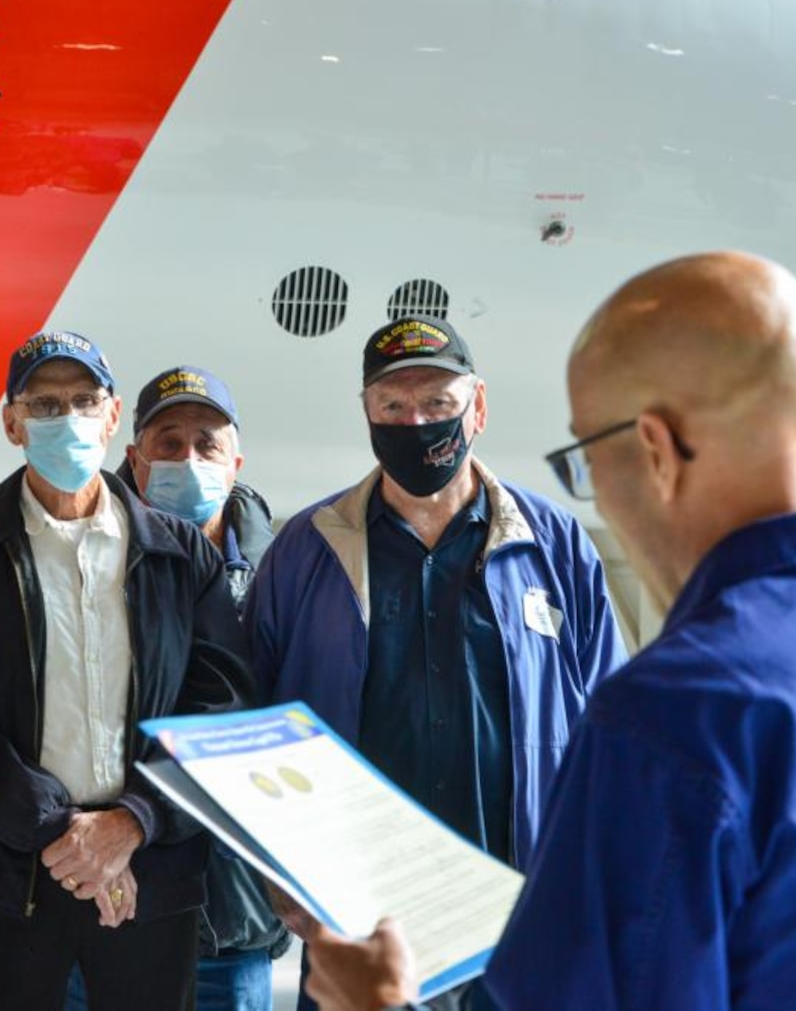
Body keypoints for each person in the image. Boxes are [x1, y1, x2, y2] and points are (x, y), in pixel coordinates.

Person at [305, 252, 796, 1009]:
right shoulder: (307, 549)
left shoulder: (678, 717)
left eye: (587, 461)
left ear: (654, 449)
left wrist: (379, 1004)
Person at [248, 315, 626, 1009]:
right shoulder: (307, 548)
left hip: (520, 906)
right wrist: (277, 868)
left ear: (477, 407)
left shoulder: (553, 544)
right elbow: (252, 717)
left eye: (437, 405)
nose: (414, 422)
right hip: (358, 913)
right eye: (391, 406)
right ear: (365, 413)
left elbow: (611, 719)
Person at [0, 331, 254, 1011]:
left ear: (112, 414)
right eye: (43, 405)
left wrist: (132, 824)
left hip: (149, 879)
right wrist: (64, 837)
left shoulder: (180, 556)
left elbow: (221, 713)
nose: (66, 419)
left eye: (83, 401)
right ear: (11, 422)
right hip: (4, 883)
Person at [65, 365, 287, 1011]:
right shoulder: (78, 560)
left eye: (205, 444)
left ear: (235, 463)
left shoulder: (284, 573)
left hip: (232, 923)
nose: (187, 459)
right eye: (168, 443)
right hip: (107, 905)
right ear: (133, 460)